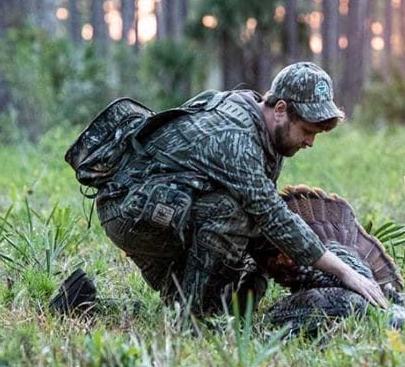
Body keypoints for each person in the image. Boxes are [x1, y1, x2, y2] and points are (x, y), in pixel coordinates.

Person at [94, 61, 387, 316]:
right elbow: (270, 214)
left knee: (254, 242)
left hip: (165, 203)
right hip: (129, 207)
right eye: (307, 131)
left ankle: (195, 299)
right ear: (281, 109)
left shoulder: (264, 127)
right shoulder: (236, 136)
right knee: (235, 212)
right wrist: (345, 272)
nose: (310, 142)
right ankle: (193, 314)